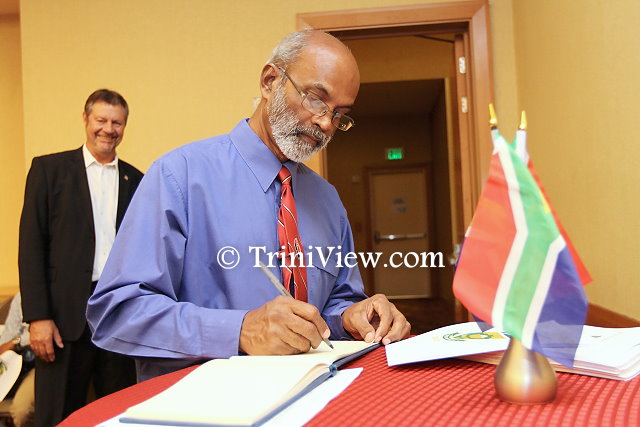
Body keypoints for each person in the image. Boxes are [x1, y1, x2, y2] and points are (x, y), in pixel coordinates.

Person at [87, 30, 411, 382]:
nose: (324, 123)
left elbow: (335, 304)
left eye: (339, 114)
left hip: (312, 394)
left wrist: (352, 317)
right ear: (270, 81)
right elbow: (117, 313)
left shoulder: (328, 201)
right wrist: (240, 330)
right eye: (316, 99)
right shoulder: (178, 176)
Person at [18, 89, 143, 426]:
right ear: (86, 119)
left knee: (117, 413)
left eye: (117, 122)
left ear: (125, 126)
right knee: (58, 414)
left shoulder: (136, 180)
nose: (108, 129)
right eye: (101, 120)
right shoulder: (49, 170)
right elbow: (31, 247)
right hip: (61, 320)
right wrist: (38, 317)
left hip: (116, 313)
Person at [0, 293, 34, 427]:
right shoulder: (21, 297)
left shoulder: (63, 294)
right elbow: (5, 343)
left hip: (43, 362)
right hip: (15, 362)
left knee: (22, 411)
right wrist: (16, 342)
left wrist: (19, 342)